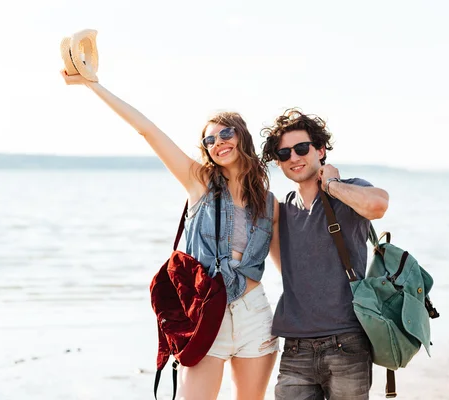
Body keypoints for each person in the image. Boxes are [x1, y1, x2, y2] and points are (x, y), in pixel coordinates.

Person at [61, 70, 280, 400]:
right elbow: (147, 131)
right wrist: (94, 85)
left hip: (255, 315)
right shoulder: (200, 182)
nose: (218, 142)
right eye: (209, 139)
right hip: (208, 312)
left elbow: (287, 269)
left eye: (225, 133)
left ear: (241, 136)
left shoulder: (269, 202)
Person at [261, 109, 390, 400]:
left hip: (347, 343)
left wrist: (331, 185)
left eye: (301, 148)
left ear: (320, 150)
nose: (293, 157)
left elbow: (378, 206)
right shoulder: (283, 210)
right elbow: (287, 268)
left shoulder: (347, 190)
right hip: (295, 348)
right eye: (283, 153)